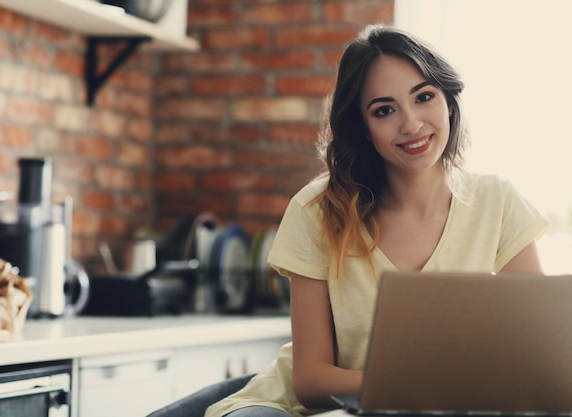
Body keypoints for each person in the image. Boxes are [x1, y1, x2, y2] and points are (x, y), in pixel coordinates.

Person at [205, 23, 550, 417]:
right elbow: (311, 382)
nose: (411, 124)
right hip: (298, 409)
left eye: (424, 97)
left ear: (448, 101)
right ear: (363, 128)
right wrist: (424, 386)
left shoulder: (498, 202)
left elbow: (534, 356)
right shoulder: (317, 210)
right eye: (384, 110)